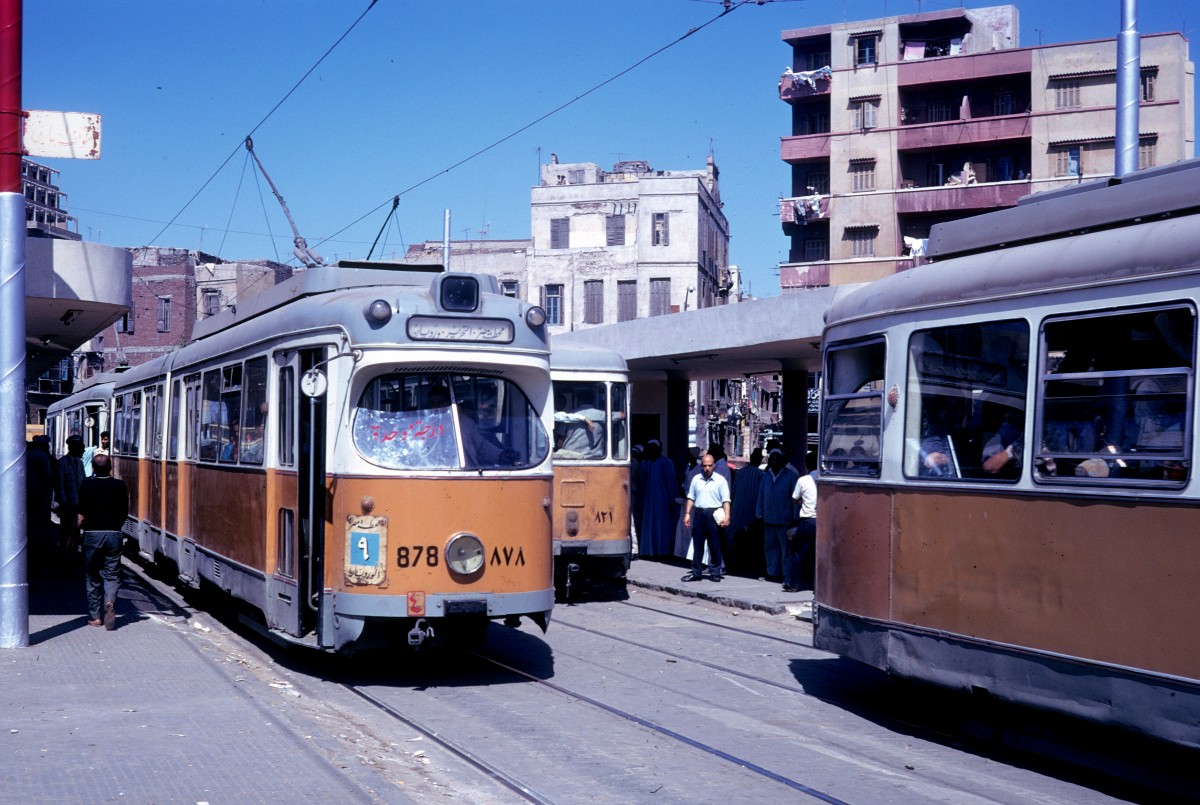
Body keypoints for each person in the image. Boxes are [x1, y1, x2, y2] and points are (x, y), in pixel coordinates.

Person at [77, 453, 129, 630]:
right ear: (110, 468)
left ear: (92, 468)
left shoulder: (86, 485)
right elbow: (124, 512)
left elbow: (80, 514)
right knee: (111, 574)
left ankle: (95, 618)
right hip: (114, 534)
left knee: (92, 576)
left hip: (92, 534)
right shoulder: (120, 486)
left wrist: (72, 534)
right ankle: (109, 601)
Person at [681, 453, 731, 582]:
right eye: (704, 466)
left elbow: (726, 500)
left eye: (709, 466)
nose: (707, 468)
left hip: (714, 514)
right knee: (697, 545)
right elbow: (691, 497)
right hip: (699, 513)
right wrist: (687, 514)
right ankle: (696, 572)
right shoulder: (696, 479)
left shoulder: (720, 480)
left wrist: (727, 516)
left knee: (715, 544)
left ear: (714, 465)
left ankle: (715, 572)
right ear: (701, 466)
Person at [756, 449, 799, 583]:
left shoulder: (790, 476)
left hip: (784, 518)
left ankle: (786, 574)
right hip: (769, 518)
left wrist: (795, 517)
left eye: (777, 459)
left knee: (786, 549)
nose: (774, 462)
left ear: (782, 460)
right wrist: (759, 513)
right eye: (772, 459)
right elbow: (761, 495)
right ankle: (772, 572)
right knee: (770, 547)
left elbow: (795, 499)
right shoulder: (766, 476)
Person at [725, 448, 764, 576]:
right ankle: (747, 563)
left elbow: (734, 491)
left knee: (731, 536)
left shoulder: (741, 472)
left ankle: (730, 561)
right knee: (751, 539)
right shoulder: (761, 474)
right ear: (760, 460)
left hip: (737, 508)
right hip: (752, 511)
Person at [637, 440, 677, 558]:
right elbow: (641, 483)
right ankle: (649, 550)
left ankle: (662, 550)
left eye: (654, 448)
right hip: (649, 500)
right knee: (649, 525)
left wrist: (671, 499)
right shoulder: (645, 464)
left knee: (661, 524)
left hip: (662, 500)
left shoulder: (666, 462)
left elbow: (671, 482)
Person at [786, 451, 818, 592]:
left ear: (806, 464)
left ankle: (793, 584)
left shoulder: (803, 480)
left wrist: (801, 500)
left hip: (807, 520)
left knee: (800, 553)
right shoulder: (825, 479)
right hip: (822, 521)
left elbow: (794, 499)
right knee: (819, 554)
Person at [25, 434, 57, 566]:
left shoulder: (27, 454)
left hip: (26, 494)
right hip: (40, 493)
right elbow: (47, 475)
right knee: (39, 523)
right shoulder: (42, 456)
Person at [553, 390, 606, 459]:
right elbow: (620, 415)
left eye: (563, 403)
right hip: (594, 457)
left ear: (579, 401)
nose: (561, 405)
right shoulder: (603, 414)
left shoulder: (569, 415)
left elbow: (560, 441)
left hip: (571, 456)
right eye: (559, 403)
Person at [58, 436, 87, 552]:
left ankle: (73, 553)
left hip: (79, 504)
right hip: (68, 505)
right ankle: (65, 553)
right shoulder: (62, 463)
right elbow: (59, 485)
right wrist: (64, 503)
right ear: (74, 448)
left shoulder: (80, 463)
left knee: (76, 531)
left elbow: (83, 482)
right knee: (66, 531)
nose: (83, 451)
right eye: (81, 448)